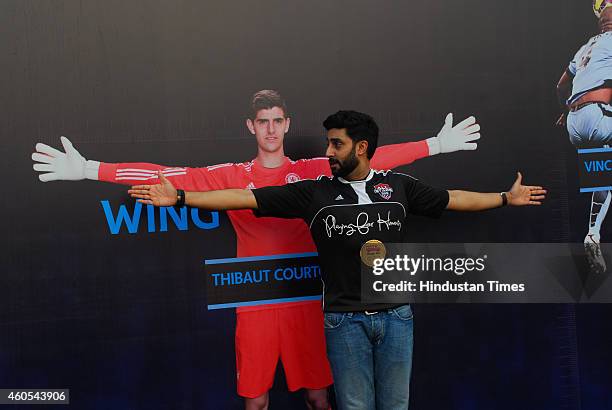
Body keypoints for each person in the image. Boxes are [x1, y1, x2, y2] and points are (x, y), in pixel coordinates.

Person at [32, 91, 481, 410]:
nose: (270, 128)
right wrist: (90, 168)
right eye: (261, 121)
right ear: (252, 126)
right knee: (256, 398)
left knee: (321, 397)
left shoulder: (312, 172)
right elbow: (166, 173)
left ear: (286, 124)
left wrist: (435, 144)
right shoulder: (231, 175)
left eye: (277, 120)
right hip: (257, 300)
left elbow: (380, 162)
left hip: (310, 299)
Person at [128, 110, 546, 410]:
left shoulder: (398, 187)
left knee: (397, 405)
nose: (328, 150)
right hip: (343, 319)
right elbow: (243, 196)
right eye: (328, 142)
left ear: (361, 148)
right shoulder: (314, 192)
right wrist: (181, 197)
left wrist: (506, 198)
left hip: (397, 316)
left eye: (336, 143)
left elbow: (453, 198)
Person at [556, 1, 612, 272]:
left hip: (575, 124)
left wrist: (564, 110)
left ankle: (593, 234)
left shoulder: (586, 46)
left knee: (603, 177)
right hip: (599, 116)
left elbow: (561, 85)